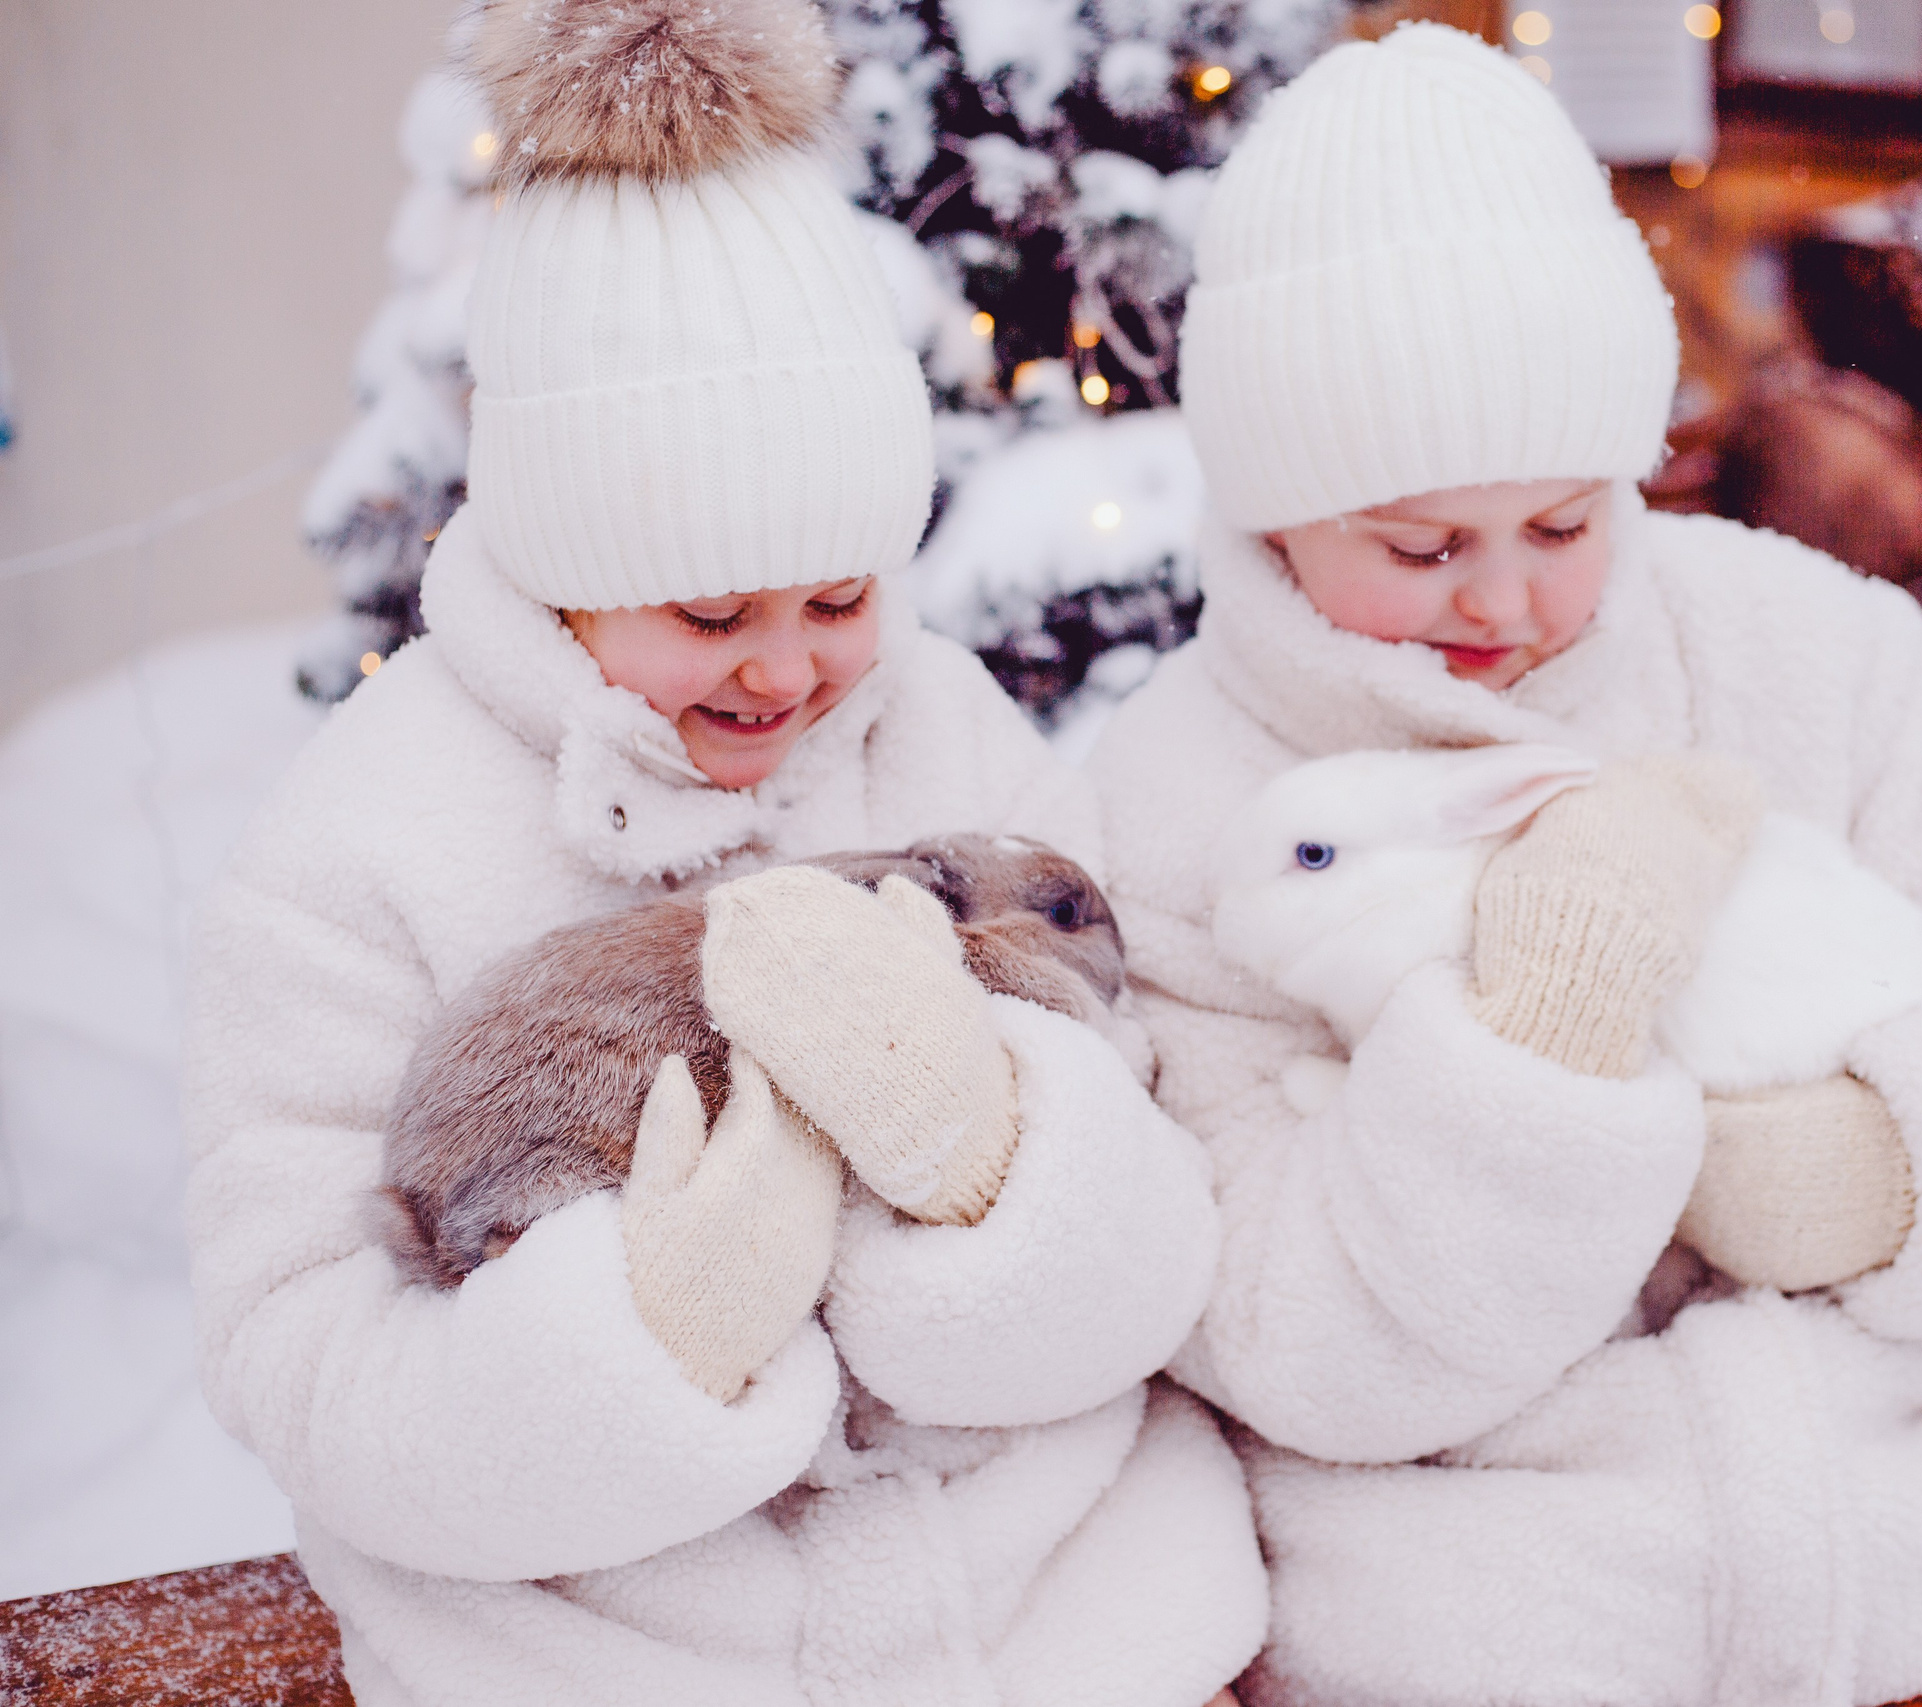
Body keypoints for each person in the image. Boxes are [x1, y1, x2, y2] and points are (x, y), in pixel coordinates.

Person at [1084, 24, 1922, 1707]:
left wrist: (1888, 1170)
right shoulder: (1185, 808)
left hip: (1910, 1636)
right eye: (1422, 546)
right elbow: (1281, 1326)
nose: (1508, 604)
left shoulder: (1792, 645)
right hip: (1469, 1655)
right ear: (1274, 508)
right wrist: (1539, 1050)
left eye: (1567, 522)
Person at [181, 4, 1263, 1702]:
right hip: (620, 1662)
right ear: (559, 568)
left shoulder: (946, 732)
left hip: (1074, 1633)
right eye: (706, 614)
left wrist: (994, 1173)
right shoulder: (367, 841)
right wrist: (654, 1337)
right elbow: (300, 1349)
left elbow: (1164, 1186)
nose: (785, 670)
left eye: (840, 597)